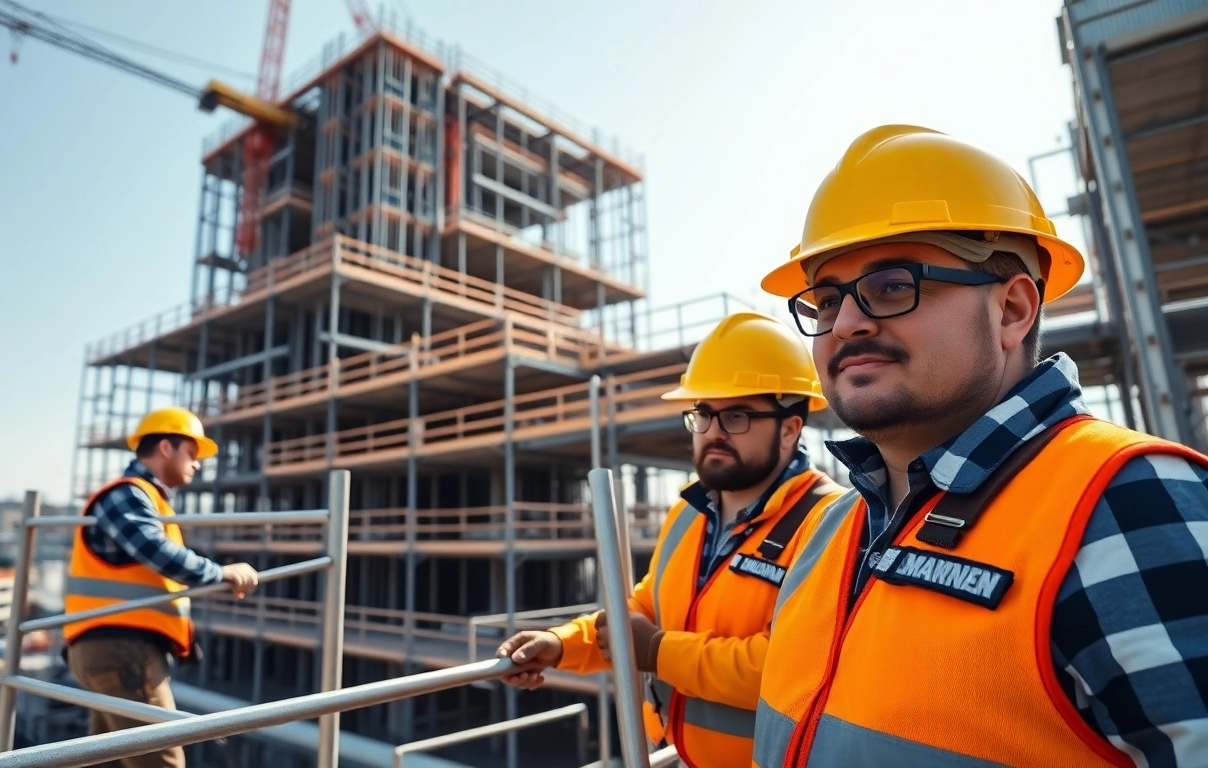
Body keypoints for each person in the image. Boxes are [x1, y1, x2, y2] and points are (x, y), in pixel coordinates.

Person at [750, 125, 1208, 768]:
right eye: (826, 300)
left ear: (1013, 310)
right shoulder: (832, 528)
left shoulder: (1124, 502)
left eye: (891, 285)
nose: (846, 322)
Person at [496, 312, 846, 768]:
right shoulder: (687, 514)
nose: (713, 432)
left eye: (736, 415)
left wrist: (657, 651)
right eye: (702, 414)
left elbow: (789, 668)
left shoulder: (831, 520)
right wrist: (561, 644)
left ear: (790, 428)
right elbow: (645, 609)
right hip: (677, 756)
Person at [63, 406, 260, 768]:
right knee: (164, 762)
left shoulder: (142, 498)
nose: (198, 463)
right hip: (122, 650)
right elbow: (158, 552)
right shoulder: (128, 495)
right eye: (192, 451)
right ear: (166, 448)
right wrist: (221, 573)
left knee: (108, 763)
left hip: (110, 648)